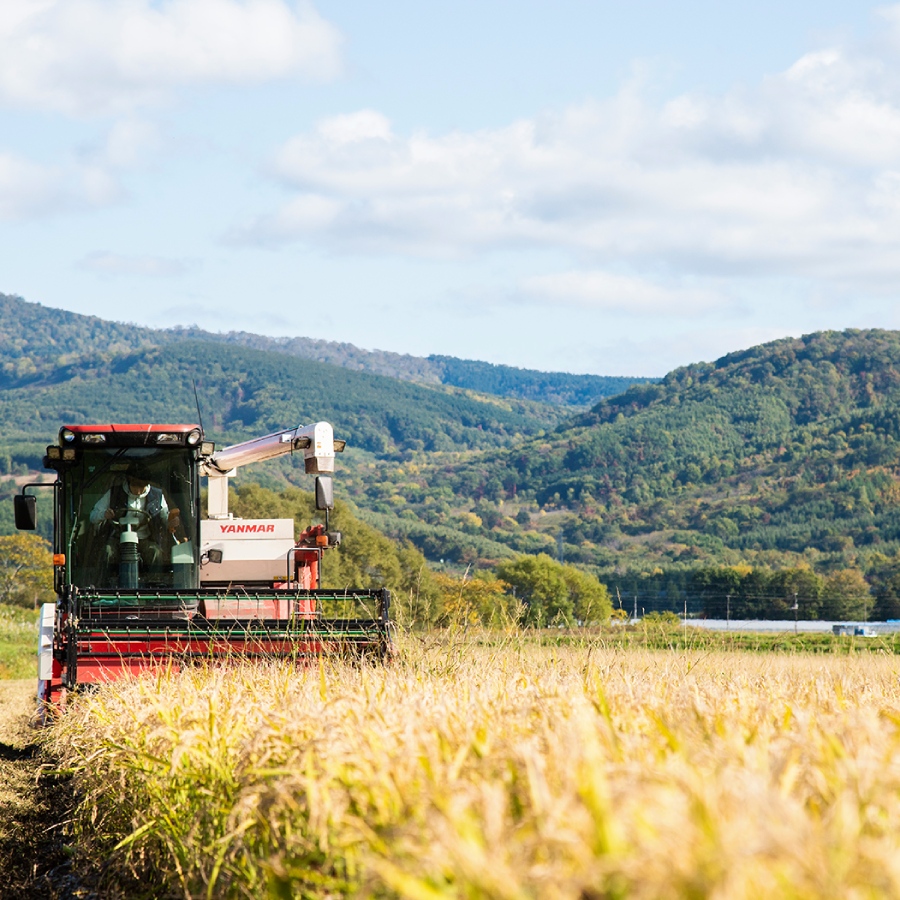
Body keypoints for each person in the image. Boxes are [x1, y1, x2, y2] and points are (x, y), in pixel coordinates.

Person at [90, 465, 180, 572]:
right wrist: (104, 515)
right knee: (107, 551)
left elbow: (165, 517)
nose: (138, 491)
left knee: (155, 553)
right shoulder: (114, 493)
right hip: (118, 538)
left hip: (144, 538)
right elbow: (93, 516)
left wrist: (171, 522)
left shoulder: (157, 496)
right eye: (134, 486)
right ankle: (106, 583)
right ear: (128, 482)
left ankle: (153, 582)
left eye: (141, 487)